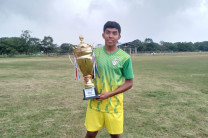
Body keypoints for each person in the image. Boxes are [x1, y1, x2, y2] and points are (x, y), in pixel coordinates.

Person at [84, 21, 134, 138]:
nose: (110, 36)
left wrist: (110, 94)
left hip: (114, 105)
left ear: (119, 37)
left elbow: (129, 82)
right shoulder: (94, 53)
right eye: (108, 32)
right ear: (103, 35)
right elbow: (90, 74)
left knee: (115, 135)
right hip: (95, 103)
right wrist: (88, 79)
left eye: (114, 33)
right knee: (90, 134)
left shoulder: (125, 57)